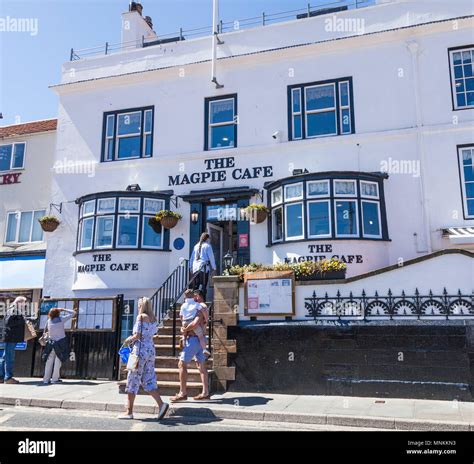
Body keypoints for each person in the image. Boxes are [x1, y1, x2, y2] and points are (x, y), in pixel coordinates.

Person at [119, 297, 169, 420]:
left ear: (142, 306)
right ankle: (161, 405)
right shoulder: (153, 318)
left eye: (139, 305)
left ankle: (129, 412)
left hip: (139, 352)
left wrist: (127, 340)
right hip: (150, 350)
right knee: (149, 379)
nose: (137, 307)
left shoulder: (140, 317)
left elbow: (137, 335)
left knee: (132, 380)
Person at [171, 297, 210, 402]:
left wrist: (184, 329)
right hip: (198, 340)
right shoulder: (197, 309)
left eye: (196, 297)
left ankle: (182, 393)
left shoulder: (200, 309)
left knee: (181, 363)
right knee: (201, 366)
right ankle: (205, 392)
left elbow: (194, 324)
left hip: (194, 340)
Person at [42, 307, 76, 384]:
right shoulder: (61, 319)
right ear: (58, 313)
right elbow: (73, 313)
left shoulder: (48, 321)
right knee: (58, 360)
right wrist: (63, 309)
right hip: (61, 343)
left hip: (51, 343)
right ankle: (55, 379)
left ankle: (46, 379)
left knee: (49, 361)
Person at [0, 297, 28, 384]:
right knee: (9, 358)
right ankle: (8, 378)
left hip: (10, 336)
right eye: (23, 303)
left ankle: (1, 377)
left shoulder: (12, 309)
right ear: (19, 302)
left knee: (5, 357)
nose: (24, 305)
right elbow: (9, 322)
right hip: (12, 337)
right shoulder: (14, 310)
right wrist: (22, 320)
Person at [179, 289, 210, 357]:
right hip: (192, 321)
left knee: (184, 336)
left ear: (185, 297)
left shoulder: (183, 305)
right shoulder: (196, 304)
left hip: (185, 321)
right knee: (200, 336)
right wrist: (206, 318)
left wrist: (183, 323)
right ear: (193, 296)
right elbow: (203, 311)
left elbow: (181, 315)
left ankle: (183, 349)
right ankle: (204, 349)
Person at [189, 232, 216, 301]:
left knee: (196, 285)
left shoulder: (196, 246)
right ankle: (202, 300)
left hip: (195, 268)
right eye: (209, 238)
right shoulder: (207, 246)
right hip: (203, 268)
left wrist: (190, 267)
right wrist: (214, 268)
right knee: (203, 285)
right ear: (207, 238)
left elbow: (192, 258)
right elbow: (211, 257)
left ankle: (195, 300)